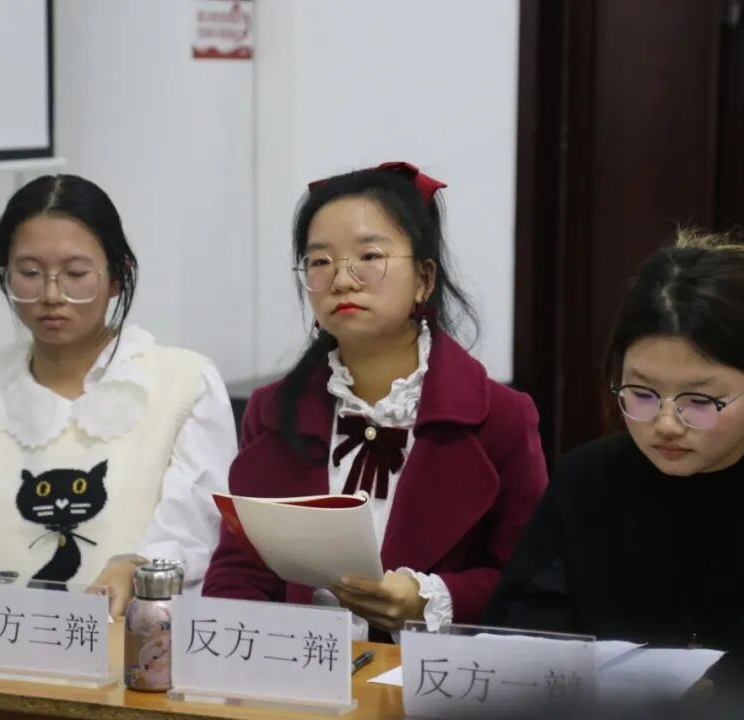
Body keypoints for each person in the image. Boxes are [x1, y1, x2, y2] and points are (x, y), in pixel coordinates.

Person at [202, 162, 547, 635]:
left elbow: (528, 582)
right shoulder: (272, 411)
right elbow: (239, 571)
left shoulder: (502, 417)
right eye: (320, 262)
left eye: (369, 256)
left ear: (424, 278)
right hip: (299, 666)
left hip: (429, 671)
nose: (342, 280)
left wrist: (431, 600)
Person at [485, 230, 744, 659]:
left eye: (699, 401)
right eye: (642, 394)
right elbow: (518, 641)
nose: (666, 424)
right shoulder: (585, 482)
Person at [0, 174, 236, 614]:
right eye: (29, 273)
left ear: (118, 276)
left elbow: (201, 539)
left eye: (76, 274)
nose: (51, 294)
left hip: (137, 644)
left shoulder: (184, 385)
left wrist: (141, 569)